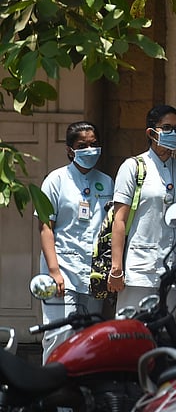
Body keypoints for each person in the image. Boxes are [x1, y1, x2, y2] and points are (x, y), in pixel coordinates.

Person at [36, 121, 114, 362]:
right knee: (59, 332)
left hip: (95, 272)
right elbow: (45, 227)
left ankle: (81, 394)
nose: (90, 150)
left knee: (89, 337)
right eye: (83, 145)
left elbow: (111, 227)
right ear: (70, 150)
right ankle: (51, 392)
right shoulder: (55, 180)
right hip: (62, 268)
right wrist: (54, 271)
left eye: (94, 144)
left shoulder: (107, 182)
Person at [108, 105, 176, 312]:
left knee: (162, 332)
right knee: (130, 334)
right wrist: (116, 267)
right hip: (138, 270)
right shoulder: (133, 167)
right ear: (151, 132)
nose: (173, 133)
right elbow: (119, 220)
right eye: (167, 128)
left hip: (173, 269)